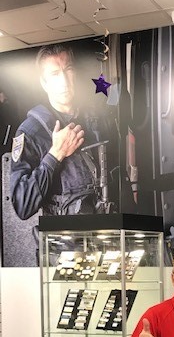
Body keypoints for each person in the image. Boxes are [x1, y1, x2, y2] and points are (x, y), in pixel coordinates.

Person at [9, 43, 117, 257]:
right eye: (55, 74)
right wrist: (54, 154)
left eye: (68, 70)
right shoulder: (31, 131)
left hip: (105, 243)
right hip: (64, 253)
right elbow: (22, 205)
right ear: (44, 82)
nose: (64, 81)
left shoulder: (97, 120)